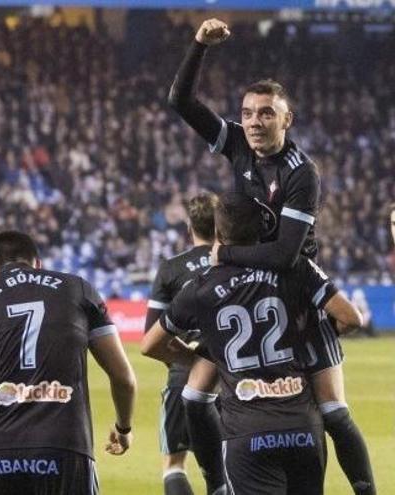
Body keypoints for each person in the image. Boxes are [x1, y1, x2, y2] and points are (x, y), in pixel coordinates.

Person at [168, 19, 375, 494]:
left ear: (287, 120)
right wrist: (199, 45)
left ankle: (367, 489)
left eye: (265, 114)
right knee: (195, 395)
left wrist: (224, 254)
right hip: (252, 278)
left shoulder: (302, 173)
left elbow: (285, 253)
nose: (255, 122)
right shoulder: (238, 143)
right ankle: (218, 483)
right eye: (248, 113)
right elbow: (180, 103)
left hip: (296, 281)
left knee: (332, 409)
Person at [142, 192, 364, 494]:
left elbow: (150, 344)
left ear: (219, 234)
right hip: (302, 428)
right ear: (263, 231)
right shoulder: (292, 269)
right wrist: (301, 345)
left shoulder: (201, 286)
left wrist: (201, 361)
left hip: (247, 432)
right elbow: (351, 318)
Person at [0, 231, 136, 495]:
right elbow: (123, 377)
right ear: (38, 263)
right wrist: (123, 427)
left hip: (1, 454)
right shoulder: (78, 289)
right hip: (67, 448)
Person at [145, 193, 221, 495]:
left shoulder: (171, 268)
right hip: (230, 375)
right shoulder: (239, 263)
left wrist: (184, 361)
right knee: (223, 468)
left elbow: (152, 333)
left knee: (174, 465)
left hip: (183, 376)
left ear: (189, 228)